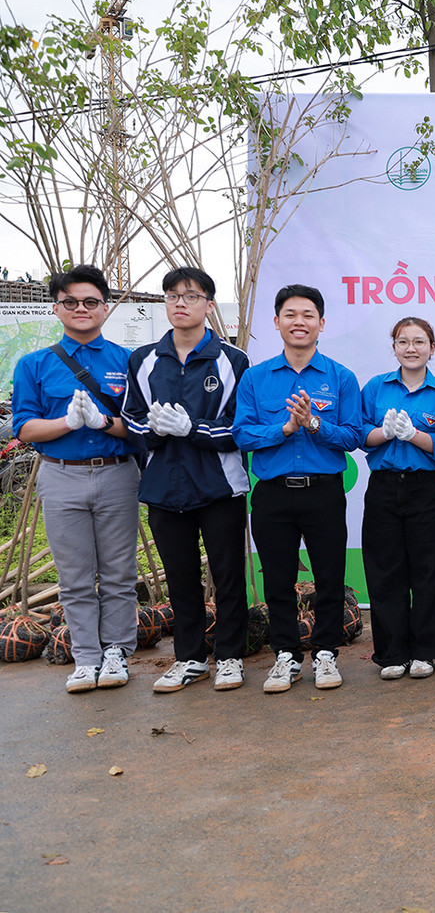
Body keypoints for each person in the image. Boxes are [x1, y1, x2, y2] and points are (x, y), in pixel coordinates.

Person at [12, 265, 139, 693]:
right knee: (75, 575)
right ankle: (85, 657)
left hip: (117, 474)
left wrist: (104, 422)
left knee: (120, 572)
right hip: (60, 475)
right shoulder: (35, 363)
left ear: (105, 308)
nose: (81, 309)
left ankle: (118, 651)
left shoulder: (127, 361)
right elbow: (25, 428)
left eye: (90, 302)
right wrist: (67, 422)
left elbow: (138, 428)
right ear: (56, 308)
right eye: (71, 302)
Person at [123, 267, 251, 693]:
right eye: (173, 296)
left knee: (228, 574)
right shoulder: (143, 359)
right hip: (163, 488)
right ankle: (190, 658)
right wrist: (157, 430)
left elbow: (240, 428)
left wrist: (192, 428)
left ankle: (230, 657)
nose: (181, 303)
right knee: (180, 578)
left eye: (192, 296)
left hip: (220, 487)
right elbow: (132, 422)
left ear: (208, 305)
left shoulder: (232, 360)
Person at [233, 284, 364, 693]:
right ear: (277, 323)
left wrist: (313, 425)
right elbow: (242, 433)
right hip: (272, 493)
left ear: (321, 323)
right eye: (290, 315)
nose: (299, 322)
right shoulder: (255, 378)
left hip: (323, 490)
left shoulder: (340, 377)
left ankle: (326, 653)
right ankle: (285, 656)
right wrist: (285, 428)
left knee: (329, 574)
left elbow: (353, 436)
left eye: (308, 315)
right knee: (277, 577)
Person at [360, 317, 435, 680]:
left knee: (429, 571)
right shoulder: (376, 387)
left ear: (432, 348)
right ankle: (392, 652)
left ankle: (426, 651)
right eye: (403, 342)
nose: (411, 348)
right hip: (384, 487)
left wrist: (414, 435)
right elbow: (359, 435)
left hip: (426, 488)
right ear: (394, 347)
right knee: (386, 571)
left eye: (419, 342)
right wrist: (383, 433)